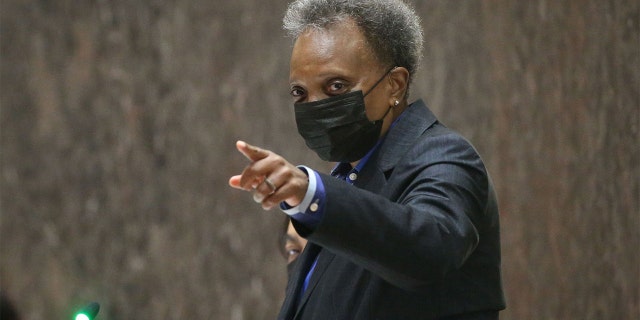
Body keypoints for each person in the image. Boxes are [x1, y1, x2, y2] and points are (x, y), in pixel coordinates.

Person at [228, 0, 506, 318]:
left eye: (336, 86)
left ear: (394, 85)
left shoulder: (444, 156)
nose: (314, 106)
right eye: (299, 93)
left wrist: (310, 194)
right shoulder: (347, 181)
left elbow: (430, 250)